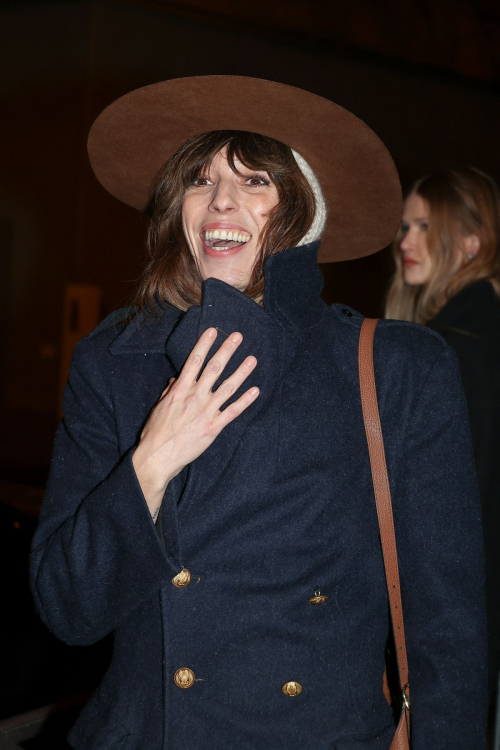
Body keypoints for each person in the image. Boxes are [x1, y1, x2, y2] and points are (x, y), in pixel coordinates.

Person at [30, 77, 487, 749]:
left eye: (254, 182)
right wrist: (151, 461)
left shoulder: (396, 369)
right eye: (199, 179)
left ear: (305, 213)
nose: (220, 201)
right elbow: (68, 608)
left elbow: (448, 633)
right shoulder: (115, 361)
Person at [386, 166, 500, 704]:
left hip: (448, 614)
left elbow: (447, 507)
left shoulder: (452, 350)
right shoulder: (470, 335)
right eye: (405, 227)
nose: (405, 241)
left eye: (424, 227)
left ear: (472, 242)